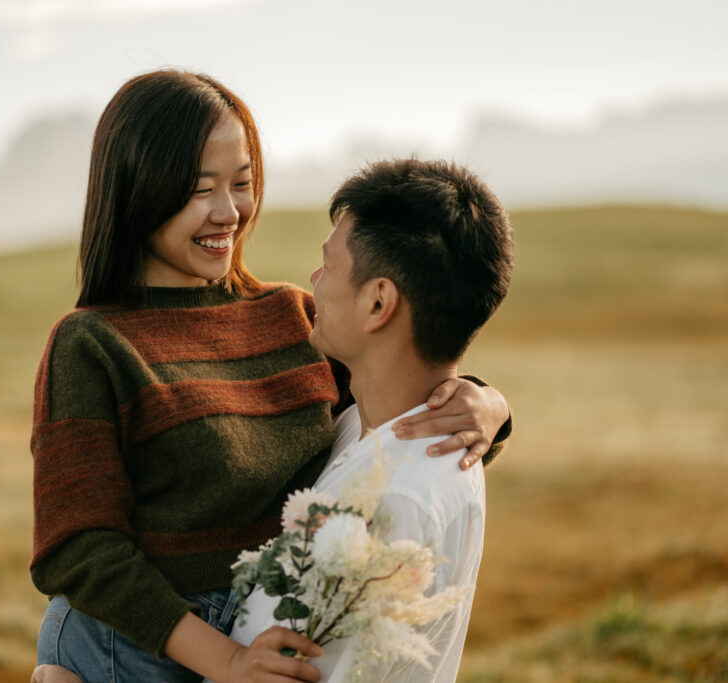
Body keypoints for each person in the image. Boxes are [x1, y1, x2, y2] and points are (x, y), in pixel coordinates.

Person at [29, 70, 511, 683]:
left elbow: (392, 389)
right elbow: (79, 550)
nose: (228, 211)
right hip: (133, 643)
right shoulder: (91, 344)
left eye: (242, 183)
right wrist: (225, 658)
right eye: (200, 190)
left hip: (260, 628)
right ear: (138, 191)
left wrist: (487, 404)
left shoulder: (292, 317)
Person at [229, 157, 513, 682]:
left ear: (378, 301)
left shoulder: (394, 504)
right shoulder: (361, 422)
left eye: (329, 265)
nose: (313, 280)